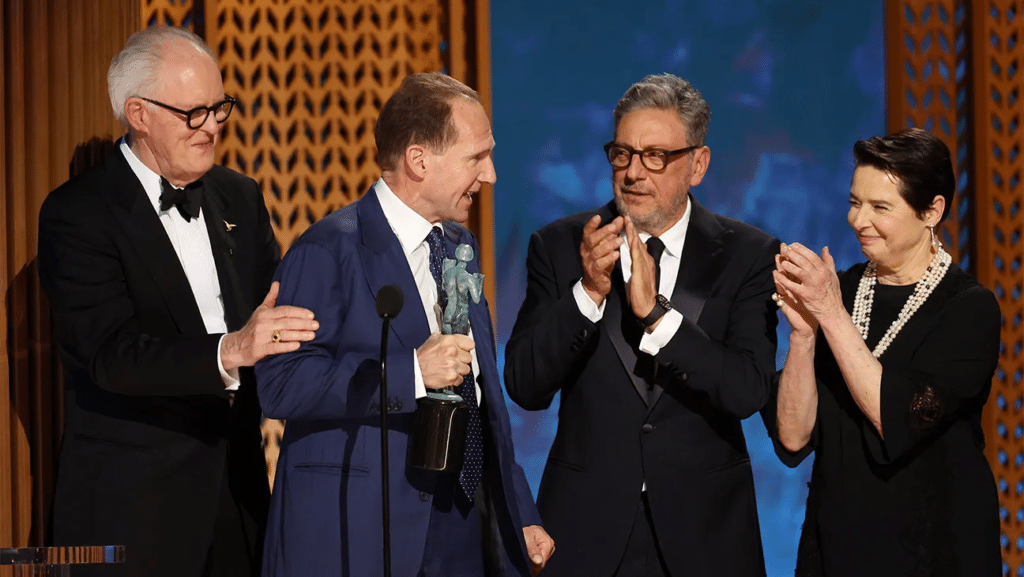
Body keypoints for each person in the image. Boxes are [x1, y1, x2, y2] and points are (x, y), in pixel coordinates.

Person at [37, 26, 318, 577]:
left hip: (239, 500)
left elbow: (279, 311)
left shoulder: (241, 194)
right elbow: (109, 355)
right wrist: (229, 350)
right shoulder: (80, 213)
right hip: (134, 514)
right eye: (195, 113)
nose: (212, 126)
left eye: (220, 108)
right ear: (138, 114)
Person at [255, 72, 554, 577]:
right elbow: (281, 384)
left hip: (461, 529)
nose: (491, 176)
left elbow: (482, 396)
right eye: (476, 158)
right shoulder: (327, 250)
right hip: (365, 530)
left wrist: (517, 511)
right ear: (419, 160)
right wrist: (411, 373)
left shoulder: (459, 246)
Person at [504, 73, 778, 576]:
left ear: (698, 164)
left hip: (707, 538)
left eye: (655, 156)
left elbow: (747, 391)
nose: (633, 173)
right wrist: (586, 292)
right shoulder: (562, 246)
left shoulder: (749, 255)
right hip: (587, 533)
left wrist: (657, 317)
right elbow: (524, 384)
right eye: (622, 154)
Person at [765, 128, 1001, 576]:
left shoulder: (969, 309)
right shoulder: (846, 290)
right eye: (855, 202)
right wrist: (802, 336)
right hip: (835, 546)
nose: (858, 220)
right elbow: (793, 438)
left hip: (934, 549)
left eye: (880, 207)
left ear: (932, 211)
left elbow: (897, 418)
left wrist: (830, 315)